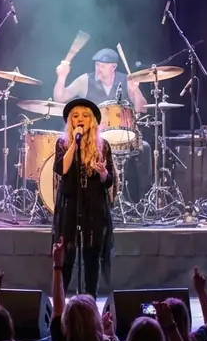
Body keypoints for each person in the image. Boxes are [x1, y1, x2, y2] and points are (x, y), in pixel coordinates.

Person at [54, 48, 151, 200]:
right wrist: (61, 77)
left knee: (145, 147)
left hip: (122, 137)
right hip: (91, 137)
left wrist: (135, 91)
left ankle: (143, 198)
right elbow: (60, 97)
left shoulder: (126, 80)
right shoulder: (85, 80)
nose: (98, 69)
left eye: (103, 66)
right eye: (97, 65)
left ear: (113, 67)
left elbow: (142, 108)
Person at [52, 98, 116, 299]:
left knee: (91, 255)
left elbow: (109, 181)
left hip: (94, 206)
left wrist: (103, 173)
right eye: (75, 116)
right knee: (67, 255)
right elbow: (61, 169)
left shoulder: (103, 146)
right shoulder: (63, 144)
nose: (80, 119)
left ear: (92, 121)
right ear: (70, 121)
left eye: (85, 116)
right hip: (70, 205)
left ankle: (90, 300)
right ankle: (61, 304)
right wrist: (74, 143)